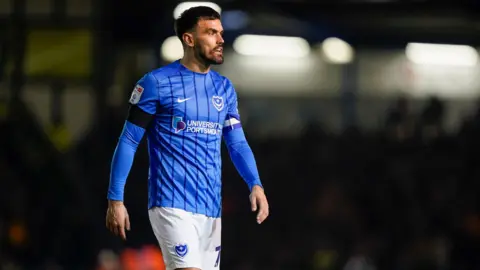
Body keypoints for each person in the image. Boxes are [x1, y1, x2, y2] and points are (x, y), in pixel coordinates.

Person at [105, 6, 269, 270]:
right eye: (211, 33)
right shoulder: (156, 84)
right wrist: (116, 199)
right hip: (171, 203)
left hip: (210, 209)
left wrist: (255, 184)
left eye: (221, 33)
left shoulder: (224, 89)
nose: (220, 39)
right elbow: (128, 141)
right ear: (189, 39)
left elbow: (237, 143)